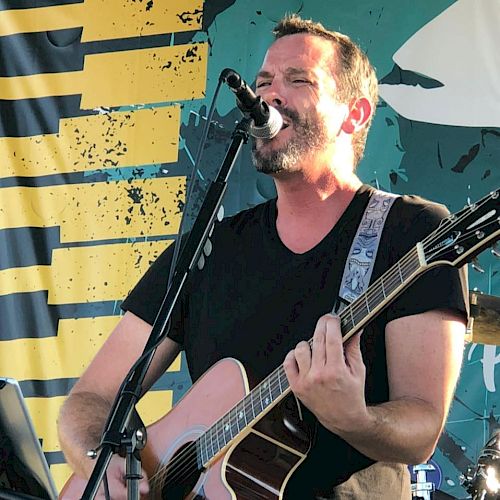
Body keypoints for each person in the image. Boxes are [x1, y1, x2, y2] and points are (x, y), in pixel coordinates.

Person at [57, 14, 468, 499]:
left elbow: (422, 425)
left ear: (353, 115)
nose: (270, 95)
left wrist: (355, 418)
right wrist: (99, 462)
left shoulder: (410, 231)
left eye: (299, 81)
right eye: (264, 82)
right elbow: (90, 399)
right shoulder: (207, 249)